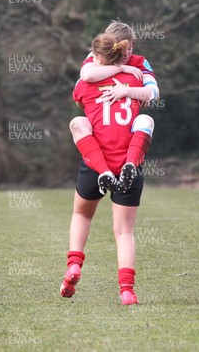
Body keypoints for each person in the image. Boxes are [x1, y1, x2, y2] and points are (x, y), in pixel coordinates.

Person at [60, 33, 155, 305]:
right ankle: (127, 291)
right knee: (124, 232)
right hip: (128, 160)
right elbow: (149, 96)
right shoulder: (136, 78)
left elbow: (80, 99)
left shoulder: (86, 81)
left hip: (96, 160)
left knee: (81, 214)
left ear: (98, 57)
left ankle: (74, 265)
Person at [70, 20, 159, 193]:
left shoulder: (139, 62)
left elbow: (153, 92)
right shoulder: (95, 57)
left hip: (121, 136)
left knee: (82, 214)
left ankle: (126, 167)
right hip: (104, 135)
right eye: (122, 48)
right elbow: (87, 75)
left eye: (130, 47)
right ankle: (116, 169)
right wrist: (121, 69)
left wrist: (126, 91)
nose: (127, 53)